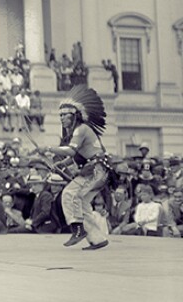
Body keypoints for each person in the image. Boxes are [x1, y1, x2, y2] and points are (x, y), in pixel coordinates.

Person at [39, 85, 111, 250]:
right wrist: (62, 164)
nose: (62, 118)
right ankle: (97, 239)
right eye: (61, 115)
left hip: (96, 170)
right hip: (96, 170)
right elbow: (78, 155)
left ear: (75, 116)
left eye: (65, 115)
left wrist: (48, 149)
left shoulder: (81, 129)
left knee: (70, 194)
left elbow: (71, 150)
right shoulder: (78, 131)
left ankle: (77, 229)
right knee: (83, 203)